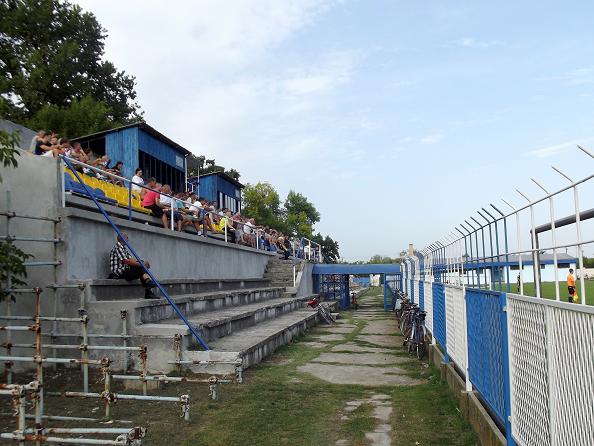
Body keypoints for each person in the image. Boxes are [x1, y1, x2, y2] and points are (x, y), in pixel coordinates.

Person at [108, 232, 157, 299]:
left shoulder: (123, 249)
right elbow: (126, 261)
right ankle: (148, 286)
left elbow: (132, 260)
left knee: (140, 266)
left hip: (125, 271)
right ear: (123, 238)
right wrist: (142, 264)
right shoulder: (117, 247)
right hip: (119, 273)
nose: (128, 239)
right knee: (139, 266)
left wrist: (143, 263)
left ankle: (148, 284)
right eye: (127, 237)